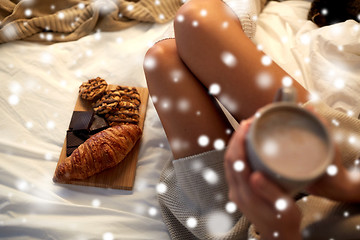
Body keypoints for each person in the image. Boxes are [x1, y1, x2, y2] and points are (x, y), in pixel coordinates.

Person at [143, 0, 360, 239]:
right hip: (341, 171)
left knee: (162, 58)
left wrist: (278, 230)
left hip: (246, 228)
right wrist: (344, 185)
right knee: (194, 22)